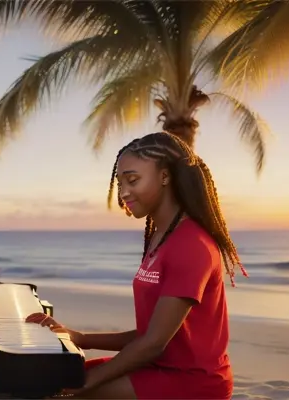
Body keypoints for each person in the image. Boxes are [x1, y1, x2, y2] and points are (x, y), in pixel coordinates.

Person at [27, 132, 248, 399]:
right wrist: (80, 338)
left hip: (191, 382)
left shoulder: (192, 245)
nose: (123, 193)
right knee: (47, 379)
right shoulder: (161, 237)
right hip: (156, 365)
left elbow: (154, 342)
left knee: (64, 390)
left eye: (133, 180)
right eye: (120, 184)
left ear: (165, 176)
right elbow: (149, 335)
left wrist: (89, 382)